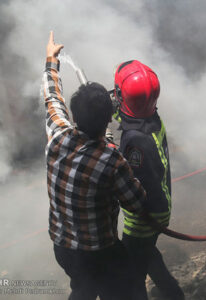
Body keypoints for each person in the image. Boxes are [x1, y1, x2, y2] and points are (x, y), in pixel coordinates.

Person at [42, 31, 146, 300]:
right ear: (108, 119)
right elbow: (135, 203)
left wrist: (51, 61)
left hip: (63, 249)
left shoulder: (57, 135)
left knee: (83, 289)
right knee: (124, 292)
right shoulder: (111, 161)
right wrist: (110, 145)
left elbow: (52, 98)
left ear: (74, 115)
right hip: (101, 252)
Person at [112, 60, 184, 299]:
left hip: (144, 215)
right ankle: (172, 292)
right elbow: (131, 115)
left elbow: (134, 181)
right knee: (146, 252)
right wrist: (115, 105)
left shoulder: (134, 141)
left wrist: (112, 149)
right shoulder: (152, 117)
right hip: (161, 206)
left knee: (132, 274)